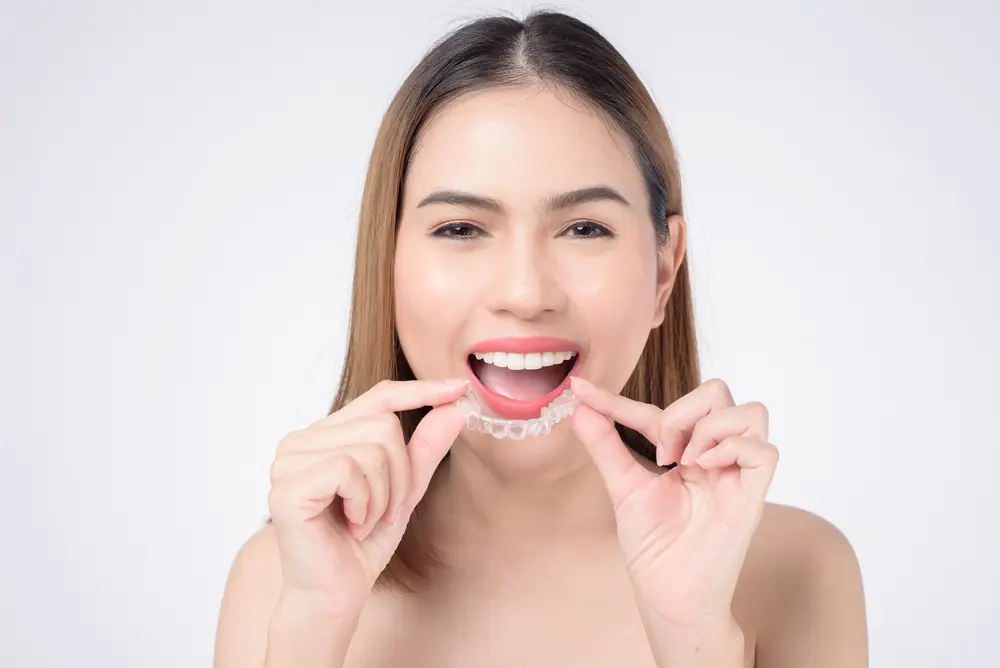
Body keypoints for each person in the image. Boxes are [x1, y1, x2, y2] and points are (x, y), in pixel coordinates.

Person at [214, 10, 868, 668]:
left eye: (585, 229)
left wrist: (692, 635)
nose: (525, 293)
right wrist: (314, 629)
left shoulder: (797, 573)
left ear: (666, 270)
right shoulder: (280, 583)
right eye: (461, 229)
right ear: (387, 265)